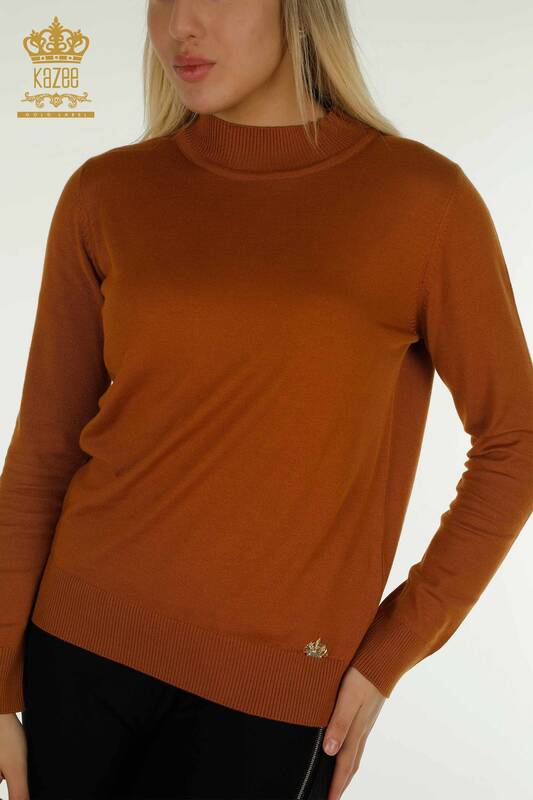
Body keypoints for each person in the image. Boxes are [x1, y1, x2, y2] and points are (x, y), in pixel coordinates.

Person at [1, 1, 532, 798]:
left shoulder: (422, 202)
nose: (179, 25)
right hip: (75, 651)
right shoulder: (105, 193)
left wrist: (390, 651)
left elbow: (516, 442)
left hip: (272, 697)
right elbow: (43, 453)